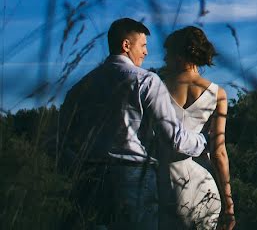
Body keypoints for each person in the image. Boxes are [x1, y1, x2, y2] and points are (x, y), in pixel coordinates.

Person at [59, 18, 208, 230]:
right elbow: (173, 137)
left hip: (87, 181)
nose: (146, 52)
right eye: (143, 45)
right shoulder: (146, 80)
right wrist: (203, 142)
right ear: (126, 45)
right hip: (132, 179)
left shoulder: (81, 86)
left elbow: (62, 138)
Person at [158, 26, 235, 230]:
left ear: (180, 55)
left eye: (168, 53)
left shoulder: (156, 89)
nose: (165, 59)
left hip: (164, 188)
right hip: (203, 187)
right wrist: (229, 204)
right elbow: (219, 153)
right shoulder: (218, 94)